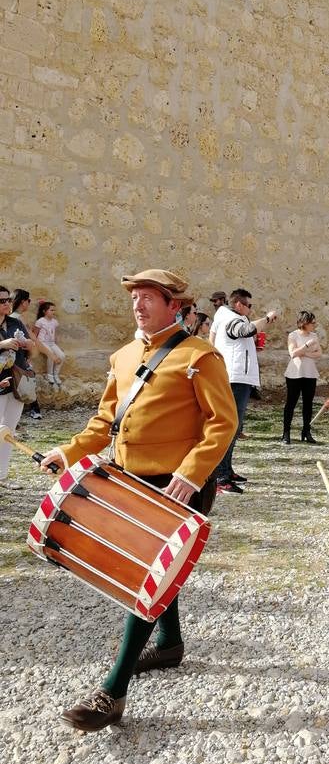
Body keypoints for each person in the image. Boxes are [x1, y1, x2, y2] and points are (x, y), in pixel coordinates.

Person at [38, 269, 237, 732]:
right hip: (128, 478)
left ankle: (113, 689)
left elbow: (222, 423)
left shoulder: (199, 355)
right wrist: (68, 452)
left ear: (174, 306)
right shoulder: (124, 356)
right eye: (135, 298)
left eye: (149, 298)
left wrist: (191, 474)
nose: (139, 305)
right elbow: (105, 419)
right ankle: (169, 643)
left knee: (146, 575)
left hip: (177, 484)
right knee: (148, 571)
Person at [210, 288, 277, 492]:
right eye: (249, 305)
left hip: (237, 376)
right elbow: (244, 331)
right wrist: (266, 318)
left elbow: (218, 338)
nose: (250, 309)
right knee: (230, 427)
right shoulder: (232, 319)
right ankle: (220, 476)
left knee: (235, 428)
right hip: (235, 378)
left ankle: (226, 470)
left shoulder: (227, 318)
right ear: (238, 304)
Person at [0, 283, 34, 489]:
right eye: (2, 301)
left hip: (16, 382)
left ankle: (2, 476)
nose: (7, 304)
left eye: (8, 300)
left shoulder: (15, 323)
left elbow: (31, 349)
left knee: (8, 432)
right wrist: (2, 344)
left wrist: (28, 345)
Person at [282, 310, 322, 445]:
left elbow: (319, 354)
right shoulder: (293, 335)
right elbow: (293, 353)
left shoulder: (314, 336)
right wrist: (307, 346)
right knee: (291, 403)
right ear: (304, 323)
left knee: (308, 404)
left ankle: (306, 431)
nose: (314, 325)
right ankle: (286, 433)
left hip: (310, 372)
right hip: (295, 372)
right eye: (312, 322)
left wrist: (304, 353)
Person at [10, 288, 45, 420]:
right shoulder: (18, 319)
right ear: (23, 302)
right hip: (20, 358)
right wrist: (52, 355)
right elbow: (33, 340)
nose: (29, 304)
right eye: (28, 301)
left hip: (16, 357)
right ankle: (34, 410)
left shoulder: (12, 318)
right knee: (25, 383)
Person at [34, 301, 65, 385]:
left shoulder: (54, 322)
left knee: (62, 355)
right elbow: (35, 334)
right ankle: (49, 375)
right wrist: (35, 345)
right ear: (44, 311)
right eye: (51, 310)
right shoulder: (40, 321)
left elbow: (55, 334)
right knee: (50, 354)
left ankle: (56, 374)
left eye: (54, 310)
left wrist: (57, 345)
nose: (53, 312)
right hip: (42, 342)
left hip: (51, 343)